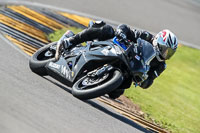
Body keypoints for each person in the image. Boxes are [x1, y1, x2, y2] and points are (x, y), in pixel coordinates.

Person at [55, 21, 178, 99]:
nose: (165, 54)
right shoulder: (146, 37)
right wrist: (121, 33)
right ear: (158, 41)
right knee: (106, 29)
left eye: (169, 53)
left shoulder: (161, 65)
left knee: (116, 93)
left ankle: (93, 79)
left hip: (128, 69)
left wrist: (144, 81)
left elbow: (149, 81)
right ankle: (70, 41)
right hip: (117, 48)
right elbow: (126, 28)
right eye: (165, 49)